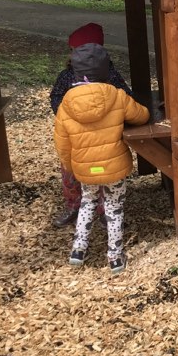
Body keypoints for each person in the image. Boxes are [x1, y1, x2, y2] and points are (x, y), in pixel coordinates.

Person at [54, 43, 150, 275]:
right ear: (106, 70)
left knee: (87, 202)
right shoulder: (116, 95)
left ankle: (78, 250)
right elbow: (141, 115)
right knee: (114, 207)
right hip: (113, 166)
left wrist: (70, 166)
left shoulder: (67, 102)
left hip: (86, 169)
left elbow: (62, 142)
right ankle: (115, 257)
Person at [49, 23, 133, 228]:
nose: (71, 56)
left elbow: (125, 96)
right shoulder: (67, 76)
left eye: (74, 51)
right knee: (70, 175)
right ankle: (74, 205)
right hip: (77, 137)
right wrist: (67, 115)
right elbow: (56, 97)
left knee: (104, 174)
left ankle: (104, 211)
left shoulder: (109, 75)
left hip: (103, 137)